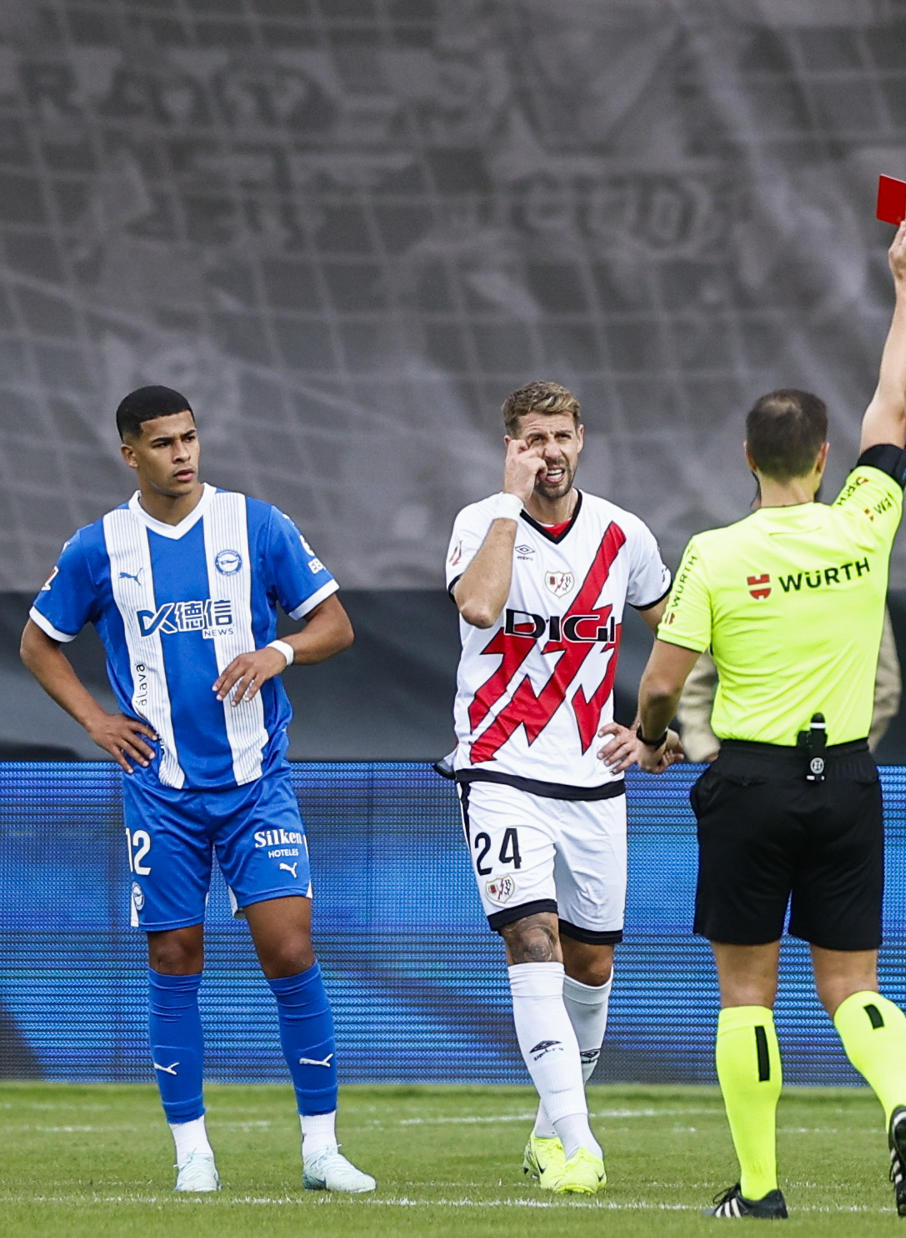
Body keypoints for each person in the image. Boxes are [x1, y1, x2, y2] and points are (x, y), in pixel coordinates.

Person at [630, 217, 906, 1219]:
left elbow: (662, 679)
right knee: (851, 983)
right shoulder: (863, 520)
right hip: (846, 777)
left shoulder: (714, 553)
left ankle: (761, 1187)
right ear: (821, 454)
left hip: (751, 780)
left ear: (746, 455)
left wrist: (652, 738)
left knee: (745, 994)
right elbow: (892, 404)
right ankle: (899, 1105)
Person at [18, 385, 373, 1194]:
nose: (182, 454)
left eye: (189, 438)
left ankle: (321, 1148)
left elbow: (335, 625)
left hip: (257, 782)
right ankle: (193, 1156)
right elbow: (39, 642)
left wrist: (276, 654)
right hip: (161, 789)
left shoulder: (256, 524)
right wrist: (96, 722)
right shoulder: (98, 546)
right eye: (163, 443)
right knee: (176, 957)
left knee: (289, 948)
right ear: (130, 454)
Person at [442, 380, 673, 1196]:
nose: (550, 453)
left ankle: (548, 1132)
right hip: (499, 769)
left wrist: (669, 730)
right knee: (530, 935)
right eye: (533, 439)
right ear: (511, 447)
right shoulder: (481, 523)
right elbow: (478, 605)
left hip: (594, 778)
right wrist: (508, 507)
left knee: (593, 965)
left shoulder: (623, 534)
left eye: (561, 437)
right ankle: (580, 1143)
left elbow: (682, 636)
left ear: (583, 439)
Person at [677, 609, 901, 762]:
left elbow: (885, 686)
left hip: (747, 767)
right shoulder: (857, 577)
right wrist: (705, 748)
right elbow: (692, 684)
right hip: (750, 766)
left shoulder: (732, 569)